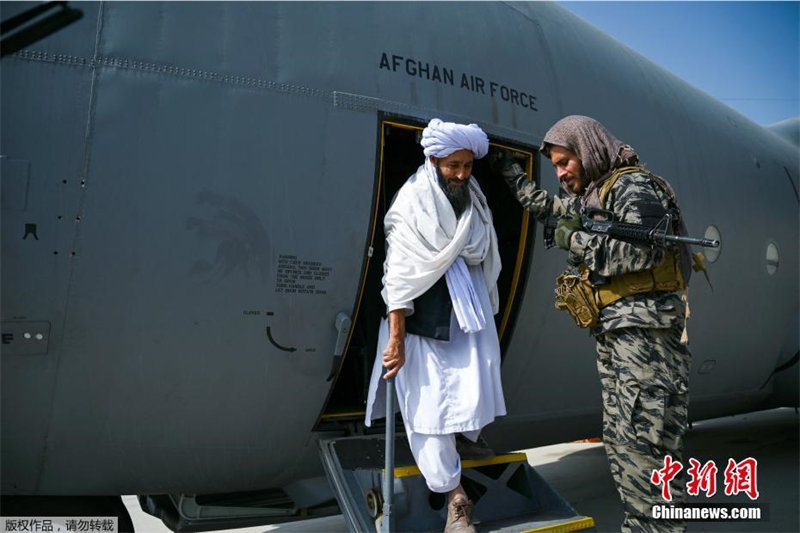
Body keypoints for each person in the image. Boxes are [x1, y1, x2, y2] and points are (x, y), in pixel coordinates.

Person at [500, 115, 692, 532]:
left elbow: (644, 251)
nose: (560, 173)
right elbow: (549, 208)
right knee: (623, 443)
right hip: (618, 333)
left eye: (565, 162)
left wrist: (574, 240)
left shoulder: (632, 186)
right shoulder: (595, 195)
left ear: (587, 151)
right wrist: (512, 175)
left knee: (647, 441)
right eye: (554, 165)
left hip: (646, 334)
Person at [365, 118, 506, 533]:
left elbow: (481, 252)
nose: (461, 175)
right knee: (428, 411)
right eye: (453, 166)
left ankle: (466, 437)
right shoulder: (413, 203)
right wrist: (396, 339)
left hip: (468, 319)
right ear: (433, 161)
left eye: (467, 166)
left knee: (472, 391)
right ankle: (455, 499)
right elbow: (398, 275)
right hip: (422, 326)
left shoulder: (474, 198)